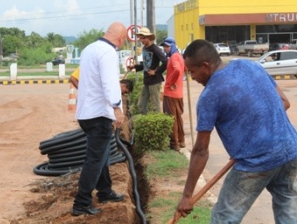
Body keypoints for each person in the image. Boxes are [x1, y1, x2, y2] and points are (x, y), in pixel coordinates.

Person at [173, 39, 297, 223]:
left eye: (192, 71)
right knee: (288, 212)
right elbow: (284, 102)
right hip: (290, 150)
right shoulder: (250, 66)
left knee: (224, 219)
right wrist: (250, 137)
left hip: (256, 162)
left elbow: (200, 151)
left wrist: (187, 196)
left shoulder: (210, 95)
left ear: (205, 66)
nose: (192, 77)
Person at [72, 22, 127, 216]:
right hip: (99, 114)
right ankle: (81, 203)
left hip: (86, 113)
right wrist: (117, 109)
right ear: (120, 39)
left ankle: (105, 191)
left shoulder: (90, 49)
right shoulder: (108, 53)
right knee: (94, 159)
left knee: (102, 155)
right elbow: (110, 82)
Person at [127, 27, 168, 114]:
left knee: (155, 107)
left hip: (155, 81)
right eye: (140, 38)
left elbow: (166, 62)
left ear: (149, 38)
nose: (142, 40)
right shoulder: (145, 48)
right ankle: (148, 122)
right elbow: (146, 65)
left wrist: (155, 72)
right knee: (141, 105)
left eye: (144, 38)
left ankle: (156, 124)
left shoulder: (155, 49)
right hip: (147, 81)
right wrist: (134, 66)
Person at [156, 37, 186, 151]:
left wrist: (170, 82)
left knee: (171, 118)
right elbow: (183, 69)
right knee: (178, 118)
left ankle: (174, 143)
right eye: (164, 46)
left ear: (173, 46)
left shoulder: (173, 57)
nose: (165, 48)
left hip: (171, 93)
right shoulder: (179, 56)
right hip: (178, 94)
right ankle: (181, 140)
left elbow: (178, 70)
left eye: (167, 46)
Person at [69, 67, 134, 94]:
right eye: (124, 92)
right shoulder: (87, 66)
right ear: (124, 86)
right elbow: (72, 78)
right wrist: (83, 91)